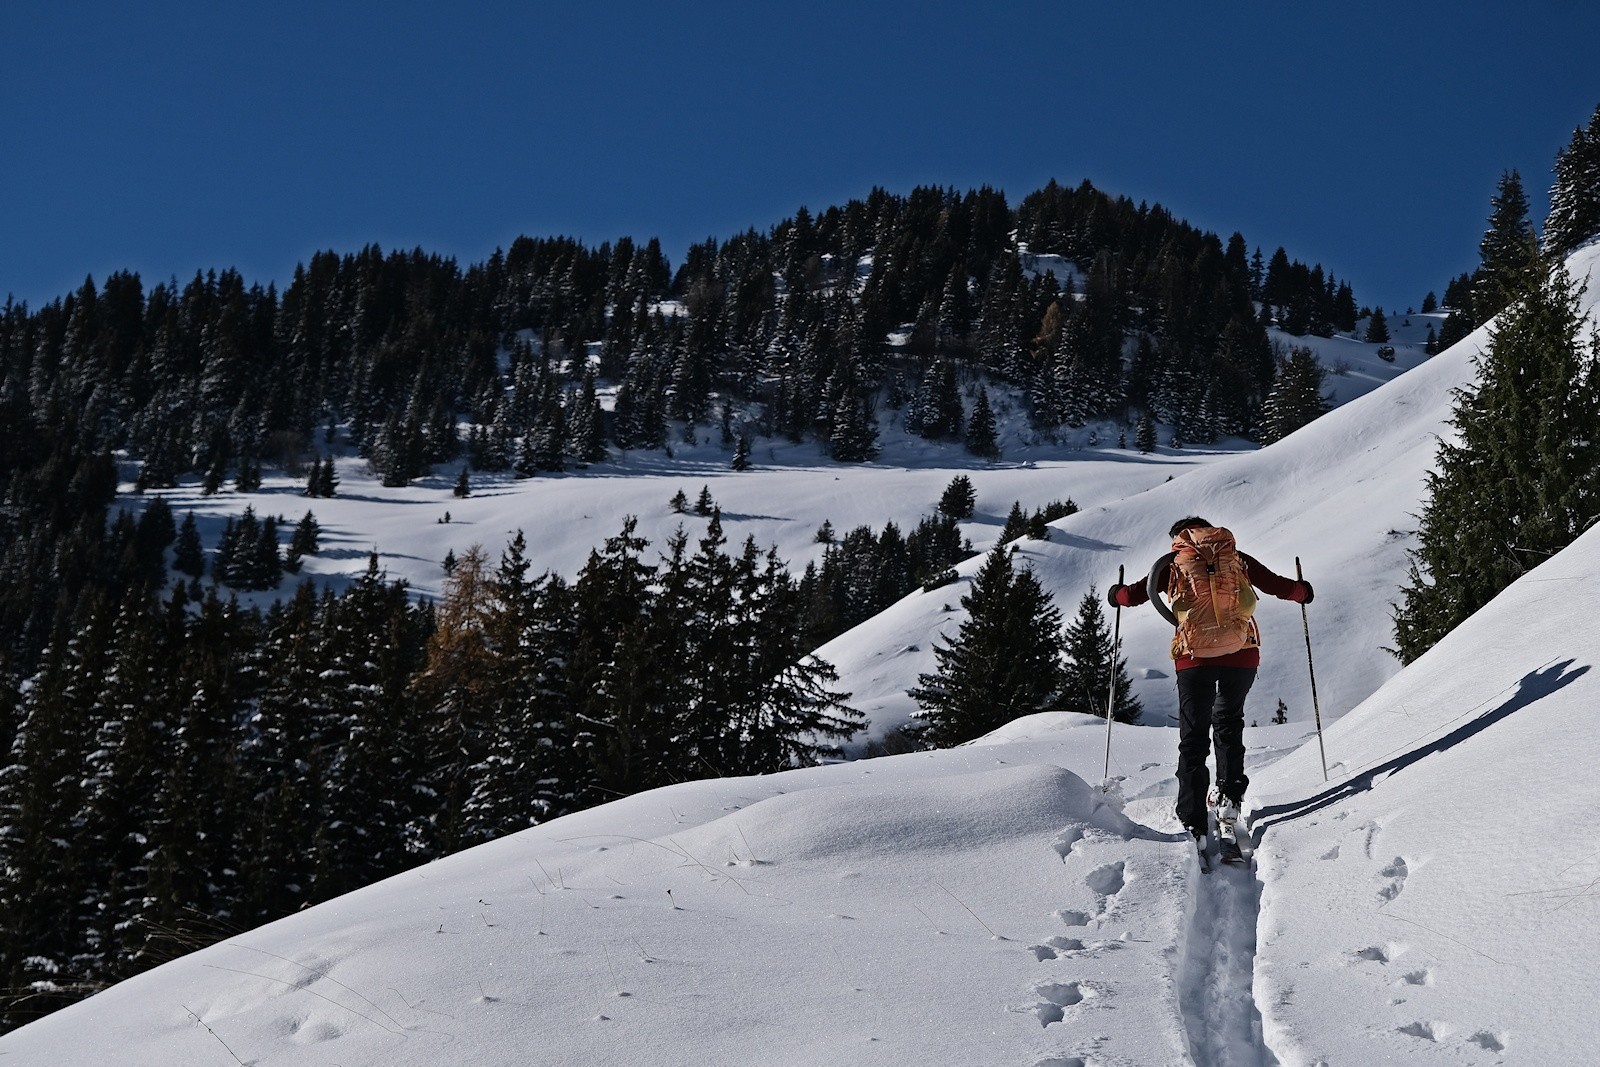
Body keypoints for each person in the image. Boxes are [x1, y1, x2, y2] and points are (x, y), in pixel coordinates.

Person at [1107, 517, 1312, 848]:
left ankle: (1193, 821)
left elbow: (1132, 597)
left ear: (1181, 537)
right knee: (1229, 723)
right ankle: (1229, 800)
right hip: (1241, 654)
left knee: (1193, 738)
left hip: (1193, 659)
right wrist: (1304, 592)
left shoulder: (1174, 562)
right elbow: (1277, 585)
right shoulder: (1234, 557)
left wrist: (1115, 594)